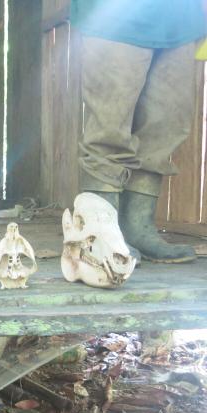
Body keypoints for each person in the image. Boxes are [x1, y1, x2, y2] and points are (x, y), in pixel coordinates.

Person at [71, 0, 206, 263]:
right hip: (114, 13)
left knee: (167, 121)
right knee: (110, 123)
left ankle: (138, 227)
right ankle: (98, 232)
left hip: (180, 16)